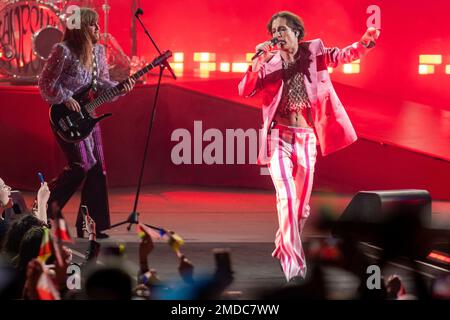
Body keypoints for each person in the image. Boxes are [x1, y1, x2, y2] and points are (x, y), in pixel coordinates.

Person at [238, 11, 379, 282]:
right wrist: (256, 62)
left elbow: (342, 56)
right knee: (287, 199)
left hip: (306, 139)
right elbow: (244, 89)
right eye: (274, 31)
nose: (277, 35)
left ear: (297, 34)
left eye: (283, 30)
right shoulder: (268, 63)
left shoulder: (314, 52)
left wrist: (364, 43)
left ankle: (283, 242)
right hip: (278, 138)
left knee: (300, 209)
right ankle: (294, 266)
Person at [38, 8, 135, 238]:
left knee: (97, 169)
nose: (98, 29)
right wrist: (65, 97)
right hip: (65, 116)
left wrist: (119, 88)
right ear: (81, 28)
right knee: (80, 166)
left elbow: (100, 82)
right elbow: (45, 82)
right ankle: (42, 211)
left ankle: (92, 226)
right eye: (93, 25)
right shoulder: (63, 51)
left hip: (87, 117)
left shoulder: (98, 51)